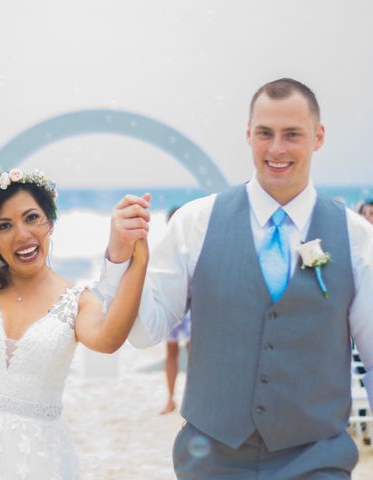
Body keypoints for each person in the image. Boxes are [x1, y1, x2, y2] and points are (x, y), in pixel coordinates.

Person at [100, 78, 373, 478]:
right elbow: (145, 331)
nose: (276, 149)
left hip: (318, 460)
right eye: (265, 133)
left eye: (292, 134)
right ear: (248, 135)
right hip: (210, 461)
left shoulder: (355, 235)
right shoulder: (196, 222)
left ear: (318, 137)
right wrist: (120, 258)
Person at [0, 44, 148, 478]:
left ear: (50, 223)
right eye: (5, 225)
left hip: (35, 459)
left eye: (32, 218)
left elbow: (108, 340)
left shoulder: (77, 301)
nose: (22, 235)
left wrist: (138, 258)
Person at [158, 207, 190, 415]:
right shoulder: (165, 247)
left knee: (194, 353)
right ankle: (170, 399)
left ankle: (191, 399)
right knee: (171, 353)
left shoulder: (192, 244)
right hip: (172, 306)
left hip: (192, 306)